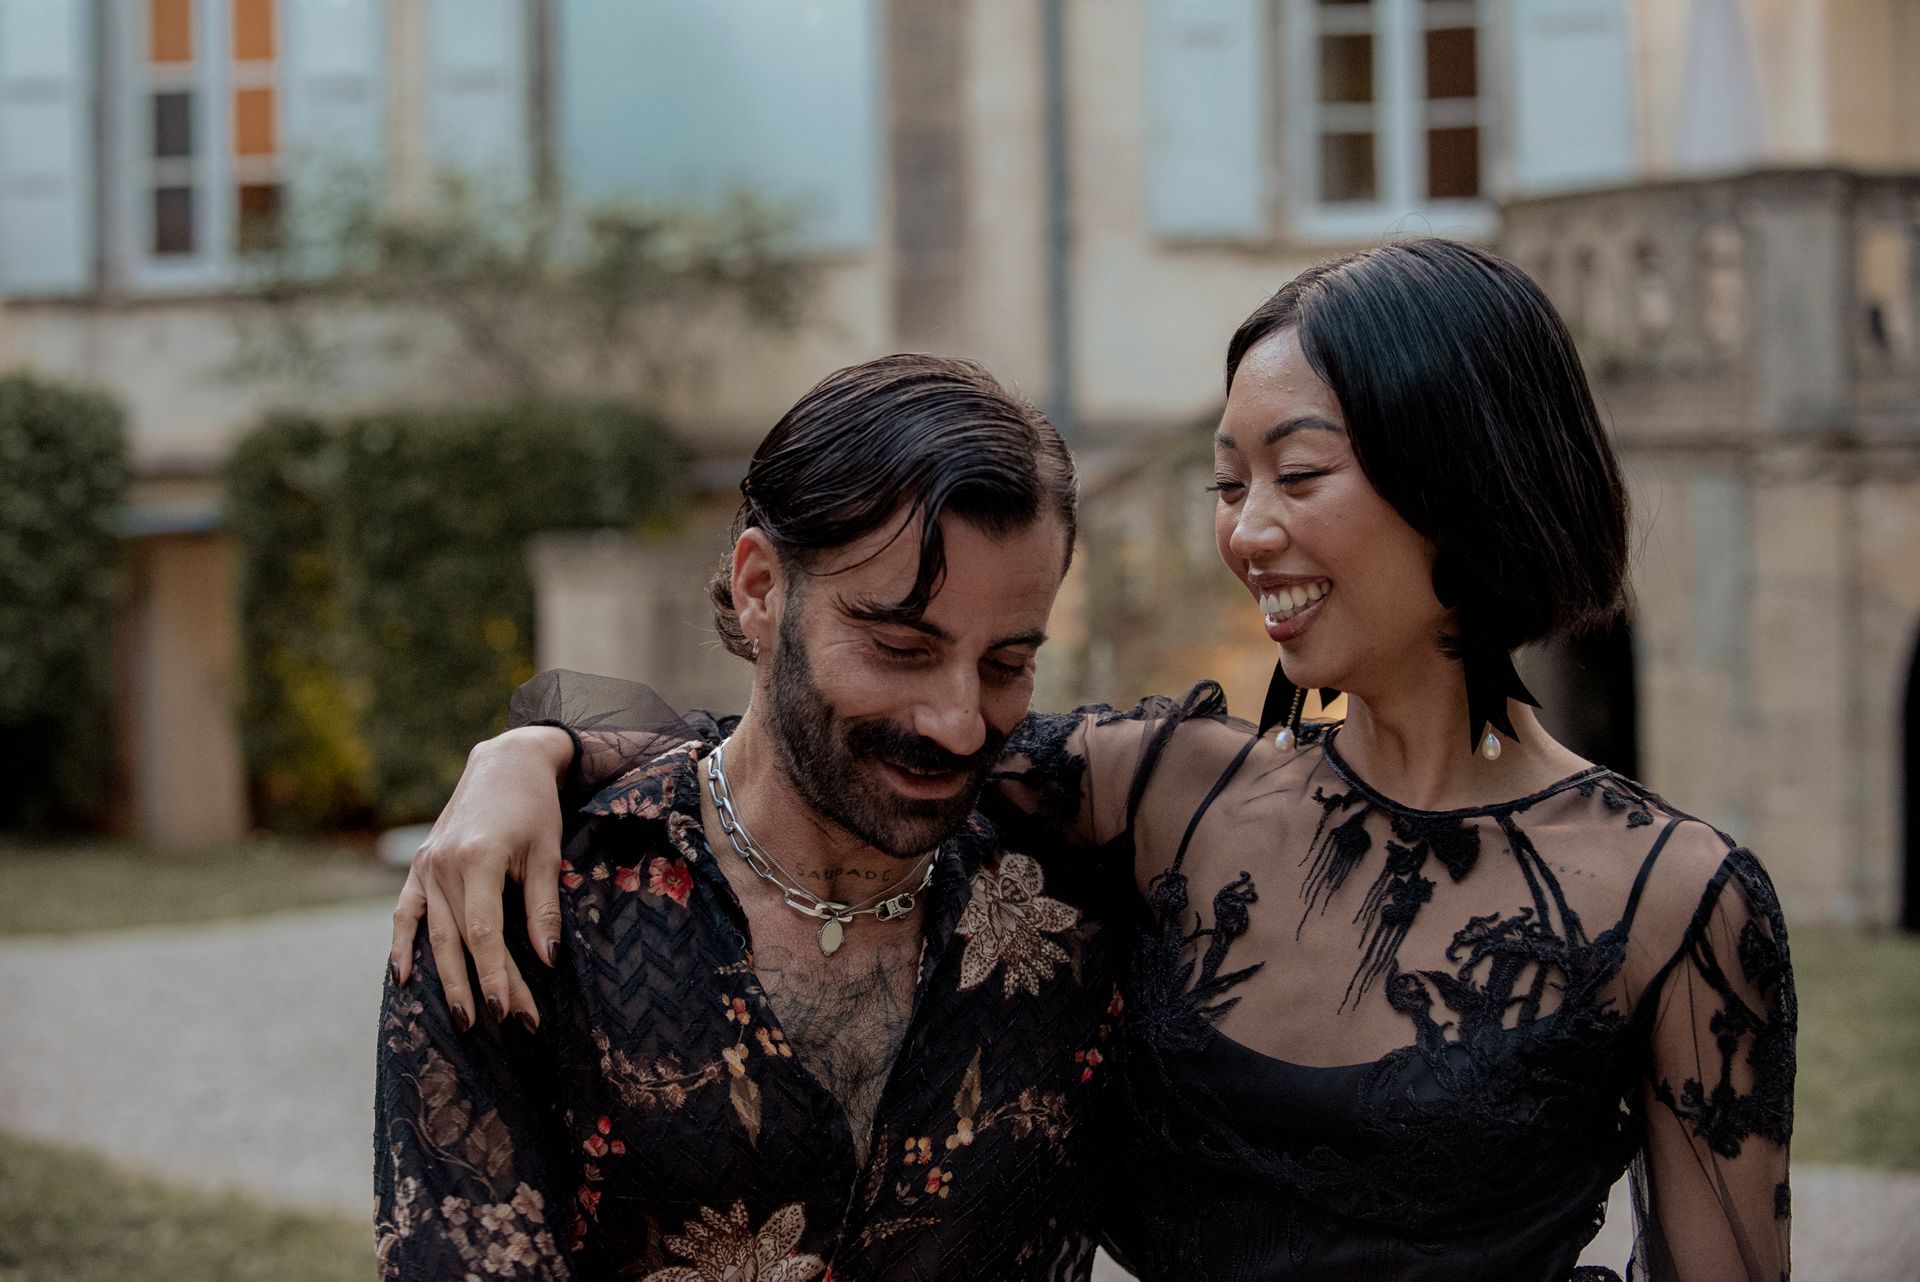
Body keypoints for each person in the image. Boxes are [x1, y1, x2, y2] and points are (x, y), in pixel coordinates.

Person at [397, 240, 1795, 1281]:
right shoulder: (1170, 796)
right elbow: (824, 751)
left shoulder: (1676, 903)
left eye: (1296, 475)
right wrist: (535, 750)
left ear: (1467, 478)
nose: (1246, 531)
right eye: (1227, 479)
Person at [374, 354, 1136, 1280]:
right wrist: (530, 750)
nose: (959, 720)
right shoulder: (526, 908)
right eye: (899, 646)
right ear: (760, 588)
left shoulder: (1081, 879)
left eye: (1008, 663)